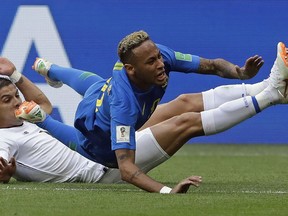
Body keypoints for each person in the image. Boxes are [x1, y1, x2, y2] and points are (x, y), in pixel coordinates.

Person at [32, 31, 286, 193]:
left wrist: (240, 72)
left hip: (100, 98)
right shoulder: (124, 105)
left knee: (185, 101)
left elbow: (211, 66)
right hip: (108, 156)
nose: (160, 65)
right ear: (131, 70)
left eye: (157, 56)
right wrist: (166, 191)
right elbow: (127, 170)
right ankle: (271, 95)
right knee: (186, 122)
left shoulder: (158, 56)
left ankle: (264, 85)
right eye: (151, 62)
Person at [0, 57, 202, 193]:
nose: (18, 102)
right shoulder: (3, 139)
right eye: (7, 100)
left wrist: (16, 75)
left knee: (183, 103)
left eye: (16, 95)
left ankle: (236, 83)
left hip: (100, 143)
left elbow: (45, 105)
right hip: (104, 167)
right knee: (187, 122)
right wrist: (4, 176)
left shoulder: (20, 121)